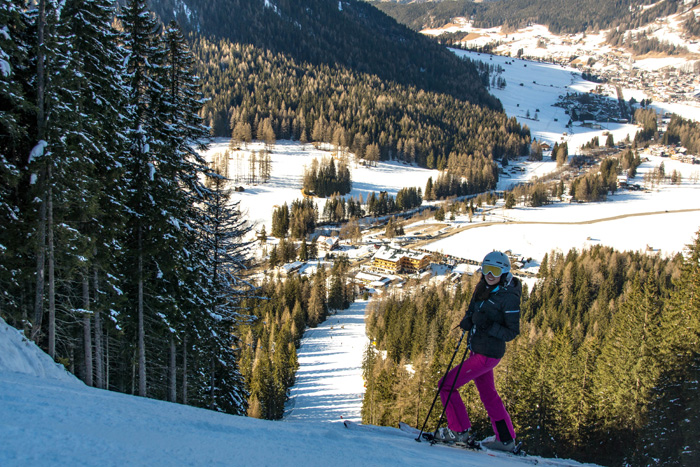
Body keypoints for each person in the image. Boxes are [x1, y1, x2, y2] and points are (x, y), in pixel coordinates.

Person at [433, 250, 521, 452]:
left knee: (446, 385)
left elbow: (511, 332)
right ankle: (505, 440)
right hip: (478, 350)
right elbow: (475, 310)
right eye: (486, 269)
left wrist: (486, 325)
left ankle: (459, 431)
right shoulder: (483, 287)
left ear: (505, 272)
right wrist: (469, 319)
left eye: (495, 270)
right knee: (489, 394)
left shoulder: (509, 297)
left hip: (487, 355)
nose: (490, 274)